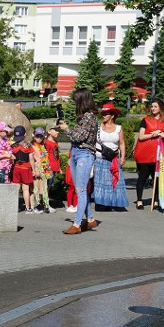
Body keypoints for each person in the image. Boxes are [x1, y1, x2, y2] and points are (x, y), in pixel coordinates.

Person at [58, 88, 100, 234]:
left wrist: (66, 129)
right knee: (80, 189)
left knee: (81, 190)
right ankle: (90, 219)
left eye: (77, 100)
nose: (75, 103)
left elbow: (79, 137)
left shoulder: (89, 117)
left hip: (84, 154)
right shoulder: (84, 117)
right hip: (77, 153)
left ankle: (76, 225)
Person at [132, 98, 164, 210]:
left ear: (161, 108)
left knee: (157, 178)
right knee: (143, 177)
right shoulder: (145, 120)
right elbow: (141, 136)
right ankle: (139, 200)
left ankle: (155, 200)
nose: (153, 108)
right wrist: (153, 134)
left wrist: (162, 134)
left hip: (159, 155)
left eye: (155, 106)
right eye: (152, 106)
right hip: (145, 153)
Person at [93, 102, 128, 211]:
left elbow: (121, 143)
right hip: (100, 158)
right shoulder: (98, 128)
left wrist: (122, 157)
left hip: (113, 159)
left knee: (113, 181)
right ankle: (101, 203)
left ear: (112, 115)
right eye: (102, 113)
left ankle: (111, 202)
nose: (103, 116)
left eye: (106, 113)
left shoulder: (118, 128)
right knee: (100, 182)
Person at [30, 127, 55, 213]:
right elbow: (32, 159)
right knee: (36, 187)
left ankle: (46, 205)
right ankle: (37, 205)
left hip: (44, 168)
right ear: (34, 136)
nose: (39, 138)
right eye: (37, 136)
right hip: (37, 168)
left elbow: (45, 158)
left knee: (44, 187)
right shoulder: (32, 146)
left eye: (41, 136)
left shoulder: (42, 146)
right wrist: (34, 170)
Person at [11, 126, 35, 213]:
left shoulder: (13, 146)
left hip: (16, 168)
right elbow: (31, 159)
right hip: (26, 168)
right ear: (24, 134)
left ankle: (14, 207)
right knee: (26, 189)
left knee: (16, 189)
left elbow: (11, 158)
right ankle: (28, 208)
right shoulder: (28, 146)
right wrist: (34, 170)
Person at [45, 125, 62, 192]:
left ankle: (45, 199)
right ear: (49, 131)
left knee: (50, 185)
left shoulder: (55, 142)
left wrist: (59, 167)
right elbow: (45, 156)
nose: (57, 132)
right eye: (55, 130)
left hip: (54, 167)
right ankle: (43, 200)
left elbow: (56, 156)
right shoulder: (47, 143)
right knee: (47, 184)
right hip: (49, 168)